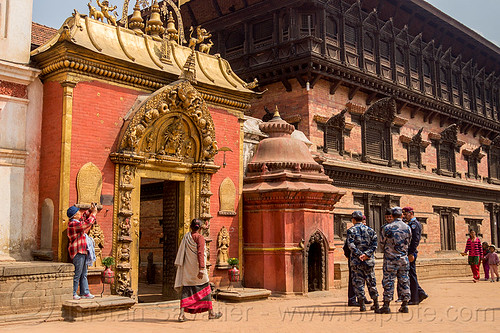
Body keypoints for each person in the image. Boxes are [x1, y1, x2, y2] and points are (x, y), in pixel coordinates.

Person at [174, 218, 222, 322]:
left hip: (188, 269)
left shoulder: (186, 237)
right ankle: (211, 313)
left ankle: (181, 314)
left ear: (191, 227)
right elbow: (200, 253)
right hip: (198, 269)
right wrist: (201, 269)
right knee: (206, 289)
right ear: (200, 228)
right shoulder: (200, 238)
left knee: (186, 291)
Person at [376, 207, 411, 314]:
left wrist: (388, 250)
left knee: (388, 281)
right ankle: (405, 305)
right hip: (403, 259)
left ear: (393, 215)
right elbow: (408, 242)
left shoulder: (387, 228)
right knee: (404, 280)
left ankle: (386, 305)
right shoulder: (407, 227)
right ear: (401, 215)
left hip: (390, 259)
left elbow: (381, 243)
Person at [345, 211, 379, 312]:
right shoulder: (371, 230)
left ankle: (362, 305)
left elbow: (350, 245)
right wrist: (367, 254)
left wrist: (359, 254)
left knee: (358, 282)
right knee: (371, 282)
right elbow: (375, 245)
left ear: (353, 220)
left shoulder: (351, 231)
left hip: (356, 261)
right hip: (368, 260)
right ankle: (376, 303)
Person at [67, 203, 98, 300]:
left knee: (84, 273)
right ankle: (73, 292)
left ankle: (85, 292)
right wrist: (94, 214)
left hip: (83, 250)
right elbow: (86, 223)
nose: (80, 213)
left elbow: (83, 217)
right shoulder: (73, 224)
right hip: (78, 251)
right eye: (78, 212)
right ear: (74, 215)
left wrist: (90, 210)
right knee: (77, 273)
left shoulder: (76, 222)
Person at [402, 207, 428, 305]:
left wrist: (411, 253)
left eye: (406, 214)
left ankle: (415, 298)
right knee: (410, 275)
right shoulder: (410, 224)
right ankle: (420, 293)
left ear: (411, 213)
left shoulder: (415, 225)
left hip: (411, 253)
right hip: (409, 253)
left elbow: (415, 240)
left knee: (412, 275)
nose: (404, 216)